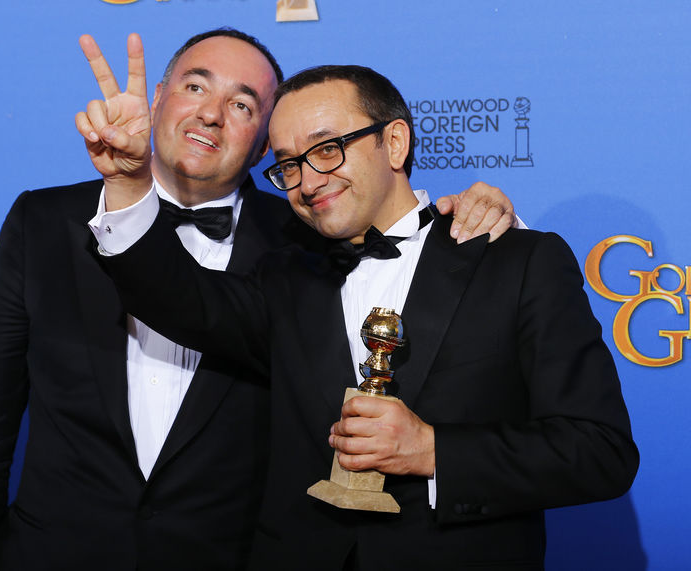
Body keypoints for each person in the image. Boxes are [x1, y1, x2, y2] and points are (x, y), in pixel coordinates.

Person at [0, 29, 516, 571]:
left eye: (242, 104)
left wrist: (472, 215)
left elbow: (407, 255)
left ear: (267, 142)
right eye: (194, 86)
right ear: (159, 96)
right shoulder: (44, 222)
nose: (211, 113)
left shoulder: (311, 237)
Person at [98, 64, 639, 570]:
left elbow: (600, 452)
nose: (308, 182)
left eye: (327, 149)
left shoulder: (518, 261)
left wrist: (433, 450)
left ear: (395, 143)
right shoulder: (284, 278)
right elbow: (176, 297)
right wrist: (127, 183)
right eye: (287, 164)